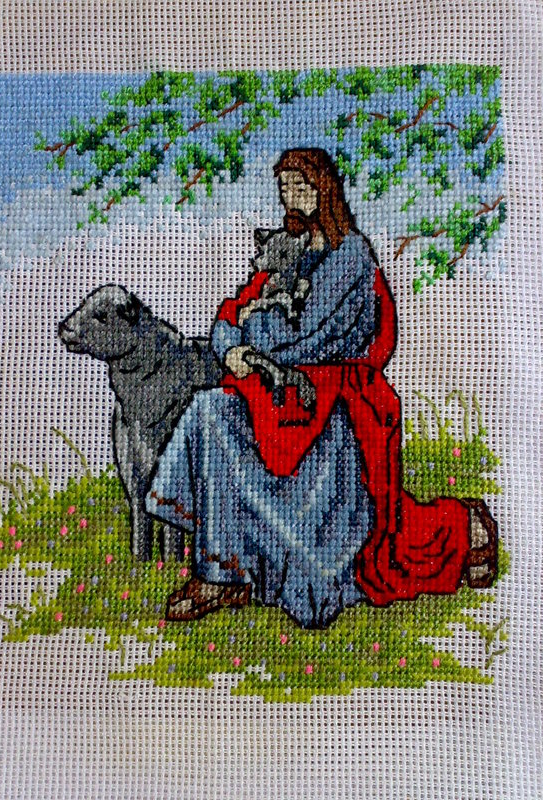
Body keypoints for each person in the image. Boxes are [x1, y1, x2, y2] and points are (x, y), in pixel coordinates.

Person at [145, 147, 497, 628]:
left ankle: (465, 529)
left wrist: (250, 331)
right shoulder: (290, 248)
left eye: (301, 186)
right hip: (276, 390)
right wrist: (231, 349)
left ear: (324, 189)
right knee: (210, 412)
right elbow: (231, 313)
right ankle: (222, 573)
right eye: (285, 187)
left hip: (333, 399)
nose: (291, 196)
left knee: (390, 541)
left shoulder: (348, 255)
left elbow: (305, 339)